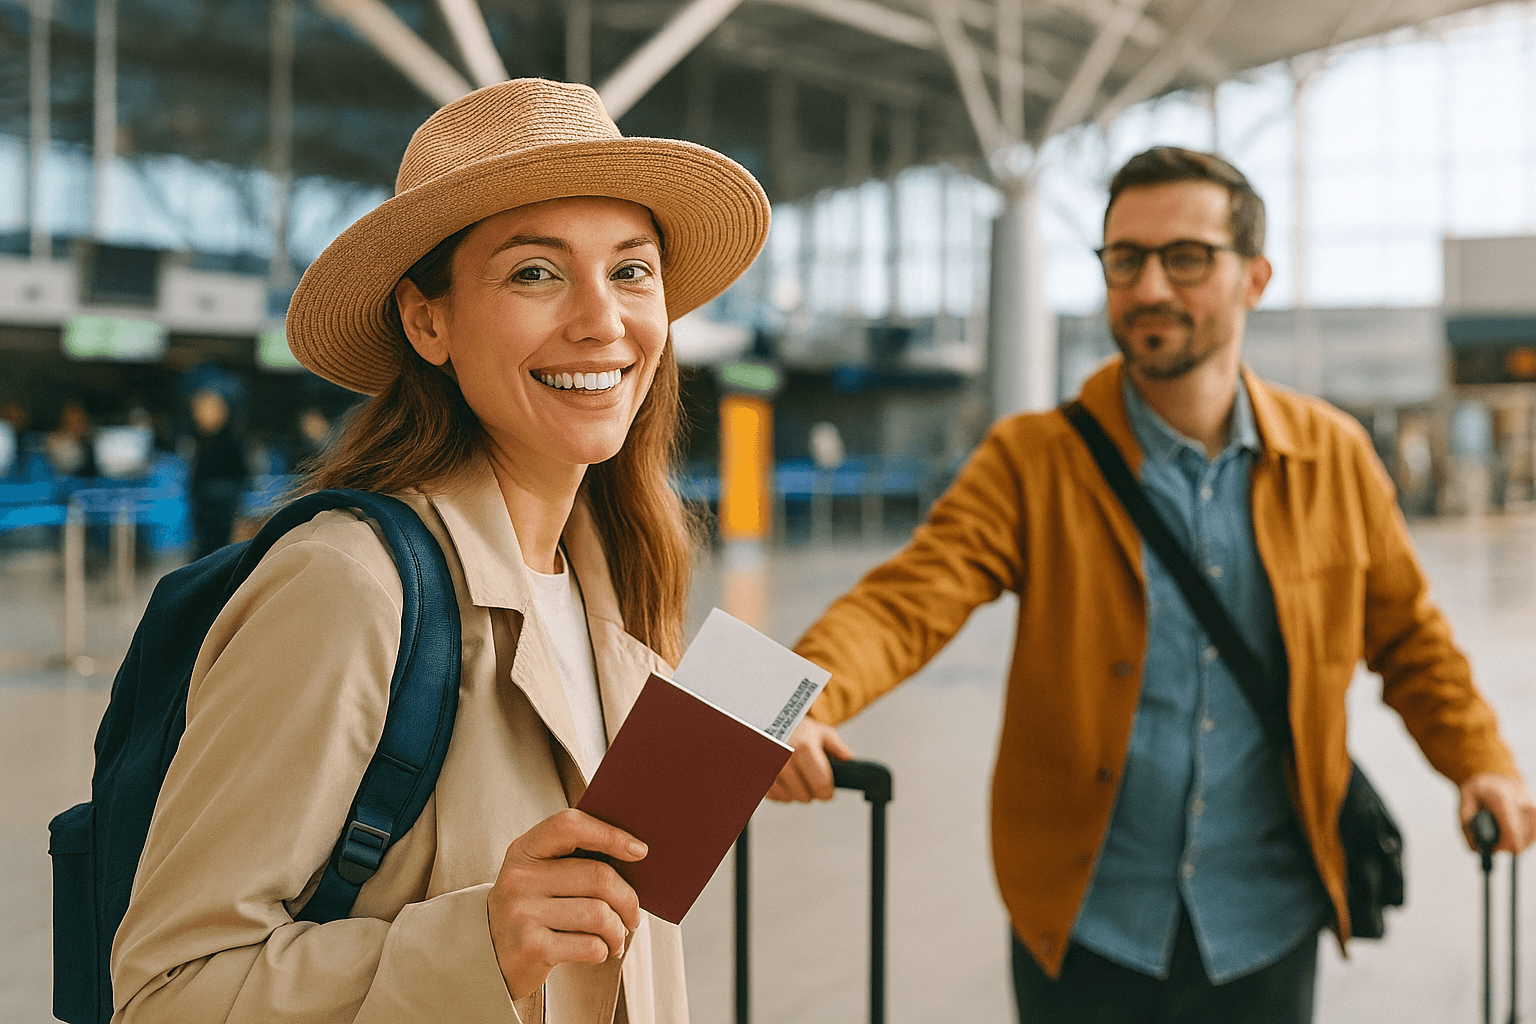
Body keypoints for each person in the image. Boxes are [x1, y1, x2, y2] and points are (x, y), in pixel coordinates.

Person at [769, 146, 1535, 1023]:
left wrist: (1483, 763)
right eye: (1125, 259)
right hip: (1087, 924)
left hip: (1267, 923)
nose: (1150, 287)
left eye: (1187, 258)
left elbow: (1410, 639)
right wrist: (804, 696)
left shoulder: (1332, 459)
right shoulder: (1034, 461)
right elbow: (907, 600)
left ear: (1254, 277)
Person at [111, 78, 769, 1023]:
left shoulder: (618, 575)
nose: (602, 320)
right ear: (430, 322)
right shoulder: (347, 587)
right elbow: (166, 992)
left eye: (631, 270)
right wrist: (481, 945)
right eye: (536, 272)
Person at [186, 388, 250, 558]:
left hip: (223, 505)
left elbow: (241, 472)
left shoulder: (231, 441)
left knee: (219, 548)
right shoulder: (194, 440)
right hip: (203, 506)